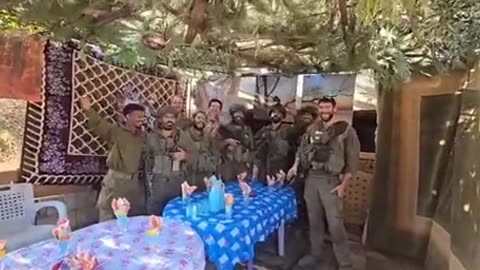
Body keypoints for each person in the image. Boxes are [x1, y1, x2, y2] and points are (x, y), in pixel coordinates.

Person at [288, 97, 360, 270]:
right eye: (321, 108)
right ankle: (315, 255)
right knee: (314, 221)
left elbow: (352, 161)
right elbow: (302, 150)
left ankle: (345, 263)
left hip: (331, 182)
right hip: (311, 179)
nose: (324, 111)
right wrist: (295, 166)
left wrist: (343, 185)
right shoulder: (312, 129)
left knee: (335, 224)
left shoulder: (346, 131)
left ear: (334, 109)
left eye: (327, 107)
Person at [80, 96, 147, 221]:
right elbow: (98, 123)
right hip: (115, 181)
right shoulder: (115, 131)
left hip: (133, 184)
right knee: (108, 216)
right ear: (127, 117)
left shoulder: (143, 137)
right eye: (138, 116)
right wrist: (88, 110)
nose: (142, 119)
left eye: (143, 116)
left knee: (129, 217)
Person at [143, 105, 196, 215]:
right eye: (166, 117)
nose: (169, 120)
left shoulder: (183, 136)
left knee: (175, 215)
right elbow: (146, 160)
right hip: (157, 182)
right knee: (154, 216)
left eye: (172, 117)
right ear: (160, 119)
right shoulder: (151, 138)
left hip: (177, 182)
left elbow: (195, 156)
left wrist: (185, 156)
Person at [217, 104, 255, 181]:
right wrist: (227, 142)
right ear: (232, 114)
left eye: (241, 113)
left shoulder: (247, 129)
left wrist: (249, 161)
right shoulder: (224, 128)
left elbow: (252, 147)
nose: (238, 115)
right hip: (228, 164)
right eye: (236, 113)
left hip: (243, 164)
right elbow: (217, 145)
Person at [183, 111, 219, 191]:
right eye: (198, 118)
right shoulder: (185, 135)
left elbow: (214, 155)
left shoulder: (208, 138)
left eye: (203, 119)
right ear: (193, 119)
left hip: (204, 178)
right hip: (189, 177)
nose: (201, 120)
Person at [254, 103, 291, 181]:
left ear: (283, 115)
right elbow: (256, 148)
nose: (276, 114)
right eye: (273, 112)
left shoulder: (288, 130)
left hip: (281, 168)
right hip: (264, 168)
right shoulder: (264, 130)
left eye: (279, 112)